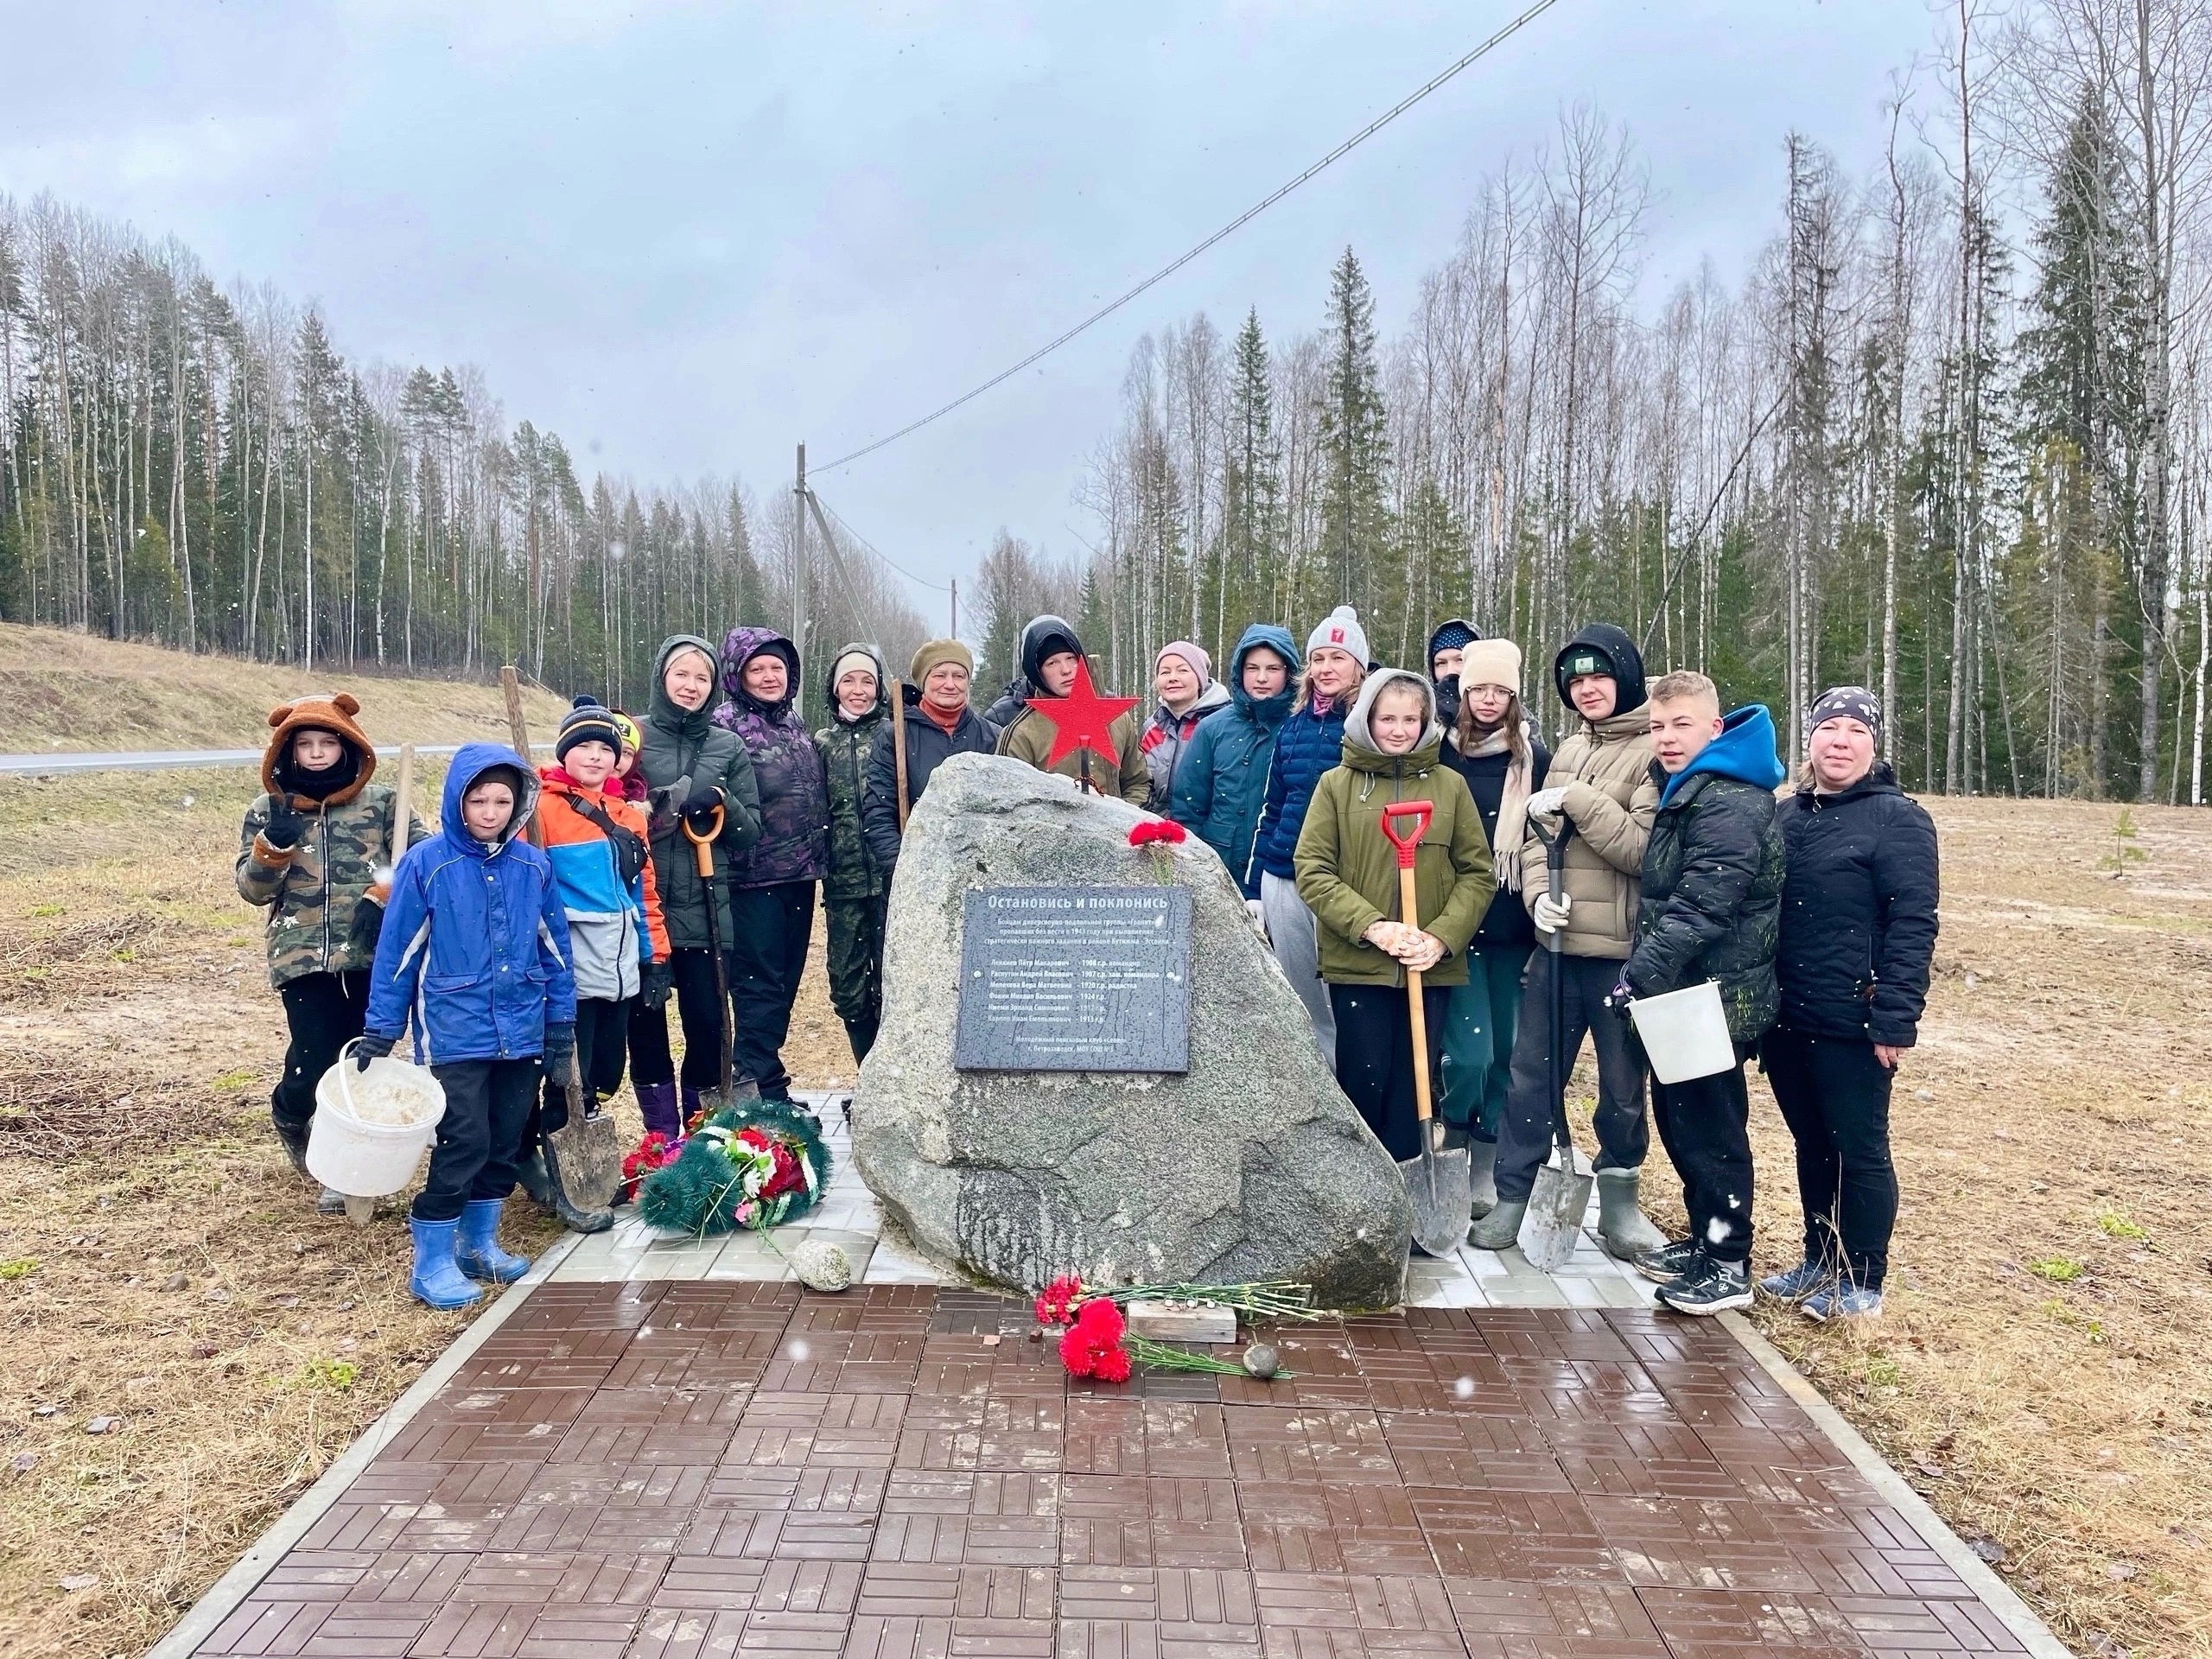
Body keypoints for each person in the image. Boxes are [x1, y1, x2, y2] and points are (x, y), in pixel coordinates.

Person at [1470, 623, 1669, 1260]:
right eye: (1575, 682)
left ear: (1627, 678)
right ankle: (1511, 1197)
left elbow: (1641, 850)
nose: (1586, 690)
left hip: (1620, 956)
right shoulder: (1568, 751)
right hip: (1554, 949)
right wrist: (1536, 897)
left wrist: (1578, 799)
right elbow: (1534, 840)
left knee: (1619, 1087)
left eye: (1598, 677)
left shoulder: (1653, 752)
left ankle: (1620, 1204)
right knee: (1531, 1078)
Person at [357, 745, 575, 1308]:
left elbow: (555, 951)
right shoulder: (428, 865)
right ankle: (431, 1262)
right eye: (478, 799)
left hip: (522, 1028)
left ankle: (478, 1245)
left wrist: (561, 1024)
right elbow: (398, 953)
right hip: (453, 1031)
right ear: (458, 800)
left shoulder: (534, 867)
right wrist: (382, 1026)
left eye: (502, 800)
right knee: (463, 1141)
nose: (490, 811)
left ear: (518, 803)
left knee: (504, 1141)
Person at [1760, 687, 1938, 1321]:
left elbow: (1913, 922)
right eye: (1829, 727)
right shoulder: (1787, 815)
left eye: (1855, 731)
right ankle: (1819, 1258)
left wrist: (1895, 1017)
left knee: (1858, 1147)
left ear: (1873, 743)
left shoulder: (1899, 819)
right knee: (1812, 1142)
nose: (1841, 740)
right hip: (1788, 1017)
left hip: (1854, 1019)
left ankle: (1863, 1278)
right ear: (1808, 739)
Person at [1618, 671, 1787, 1316]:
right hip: (1687, 992)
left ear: (1714, 728)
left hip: (1715, 995)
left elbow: (1703, 906)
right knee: (1683, 1120)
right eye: (1658, 726)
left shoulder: (1730, 800)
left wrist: (1638, 972)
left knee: (1712, 1129)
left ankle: (1727, 1261)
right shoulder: (1691, 788)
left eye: (1681, 724)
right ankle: (1703, 1240)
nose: (1666, 737)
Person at [235, 692, 426, 1216]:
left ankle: (345, 1168)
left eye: (327, 742)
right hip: (302, 955)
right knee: (317, 1054)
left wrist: (381, 894)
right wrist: (273, 846)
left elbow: (419, 860)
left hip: (373, 950)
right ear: (288, 752)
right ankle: (292, 1112)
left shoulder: (387, 803)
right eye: (305, 745)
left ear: (348, 747)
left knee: (366, 1058)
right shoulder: (267, 810)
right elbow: (252, 891)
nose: (317, 753)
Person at [1294, 670, 1493, 1161]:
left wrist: (1441, 938)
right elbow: (1313, 869)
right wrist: (1372, 927)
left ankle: (1411, 1198)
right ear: (1367, 719)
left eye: (1411, 718)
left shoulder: (1449, 786)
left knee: (1415, 1086)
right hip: (1358, 964)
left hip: (1430, 966)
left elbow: (1477, 872)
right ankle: (1361, 1196)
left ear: (1426, 722)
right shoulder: (1336, 786)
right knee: (1365, 1079)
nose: (1399, 729)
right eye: (1388, 718)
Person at [520, 696, 670, 1230]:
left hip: (621, 958)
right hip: (567, 960)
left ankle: (565, 1142)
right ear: (565, 753)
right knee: (568, 1072)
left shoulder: (629, 816)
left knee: (607, 1070)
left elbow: (644, 891)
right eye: (583, 746)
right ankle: (551, 1167)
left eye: (605, 748)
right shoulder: (539, 810)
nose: (595, 756)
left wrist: (656, 959)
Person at [632, 634, 763, 1135]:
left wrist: (722, 804)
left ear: (713, 687)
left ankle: (700, 1134)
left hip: (709, 910)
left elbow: (751, 830)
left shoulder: (728, 746)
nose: (690, 686)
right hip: (645, 911)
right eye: (681, 674)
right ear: (662, 678)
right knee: (645, 1030)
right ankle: (660, 1137)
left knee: (708, 1029)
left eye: (701, 678)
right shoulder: (635, 740)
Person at [1437, 639, 1551, 1215]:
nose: (1487, 700)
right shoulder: (1442, 752)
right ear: (1463, 692)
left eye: (1499, 690)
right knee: (1467, 1055)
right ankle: (1451, 1144)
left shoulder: (1533, 758)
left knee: (1506, 1052)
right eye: (1478, 688)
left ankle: (1486, 1158)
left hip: (1512, 924)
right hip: (1454, 922)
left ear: (1513, 695)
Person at [711, 626, 830, 1103]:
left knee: (786, 980)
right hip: (750, 878)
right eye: (756, 668)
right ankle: (753, 1081)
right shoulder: (724, 725)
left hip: (800, 876)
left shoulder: (794, 725)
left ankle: (767, 1074)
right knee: (759, 983)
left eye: (776, 668)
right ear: (737, 675)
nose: (768, 677)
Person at [1248, 605, 1370, 1067]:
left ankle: (1354, 1095)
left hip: (1345, 880)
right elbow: (1272, 809)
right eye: (1318, 658)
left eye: (1338, 658)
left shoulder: (1367, 726)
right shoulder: (1293, 728)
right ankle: (1321, 1093)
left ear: (1357, 665)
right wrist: (1255, 887)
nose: (1326, 669)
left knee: (1346, 998)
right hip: (1284, 875)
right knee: (1303, 998)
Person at [1169, 624, 1300, 897]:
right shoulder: (1212, 729)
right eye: (1253, 668)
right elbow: (1188, 808)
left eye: (1273, 669)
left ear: (1289, 673)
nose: (1262, 677)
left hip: (1284, 872)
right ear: (1240, 671)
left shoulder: (1301, 728)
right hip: (1219, 870)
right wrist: (1196, 867)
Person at [813, 643, 893, 1063]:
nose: (858, 690)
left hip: (890, 880)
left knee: (891, 979)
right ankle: (867, 1073)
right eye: (849, 680)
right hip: (842, 883)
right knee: (848, 984)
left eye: (867, 681)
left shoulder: (893, 734)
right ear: (835, 687)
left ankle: (891, 1083)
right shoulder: (822, 743)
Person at [864, 639, 998, 876]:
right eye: (939, 675)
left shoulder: (992, 736)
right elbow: (879, 813)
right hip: (914, 875)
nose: (950, 684)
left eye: (959, 676)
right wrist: (905, 870)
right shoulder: (895, 737)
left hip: (979, 877)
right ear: (924, 682)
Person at [992, 613, 1150, 802]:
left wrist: (1126, 822)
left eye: (1070, 658)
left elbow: (1138, 782)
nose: (1066, 670)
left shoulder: (1116, 718)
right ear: (1036, 671)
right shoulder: (1021, 733)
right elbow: (1010, 801)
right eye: (1052, 663)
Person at [1140, 640, 1231, 806]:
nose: (1173, 678)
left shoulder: (1223, 724)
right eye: (1165, 672)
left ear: (1200, 678)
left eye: (1182, 670)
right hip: (1156, 826)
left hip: (1203, 828)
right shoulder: (1151, 728)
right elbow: (1142, 785)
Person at [1427, 618, 1479, 732]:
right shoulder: (1421, 714)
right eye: (1441, 663)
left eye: (1460, 660)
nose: (1450, 671)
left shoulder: (1508, 714)